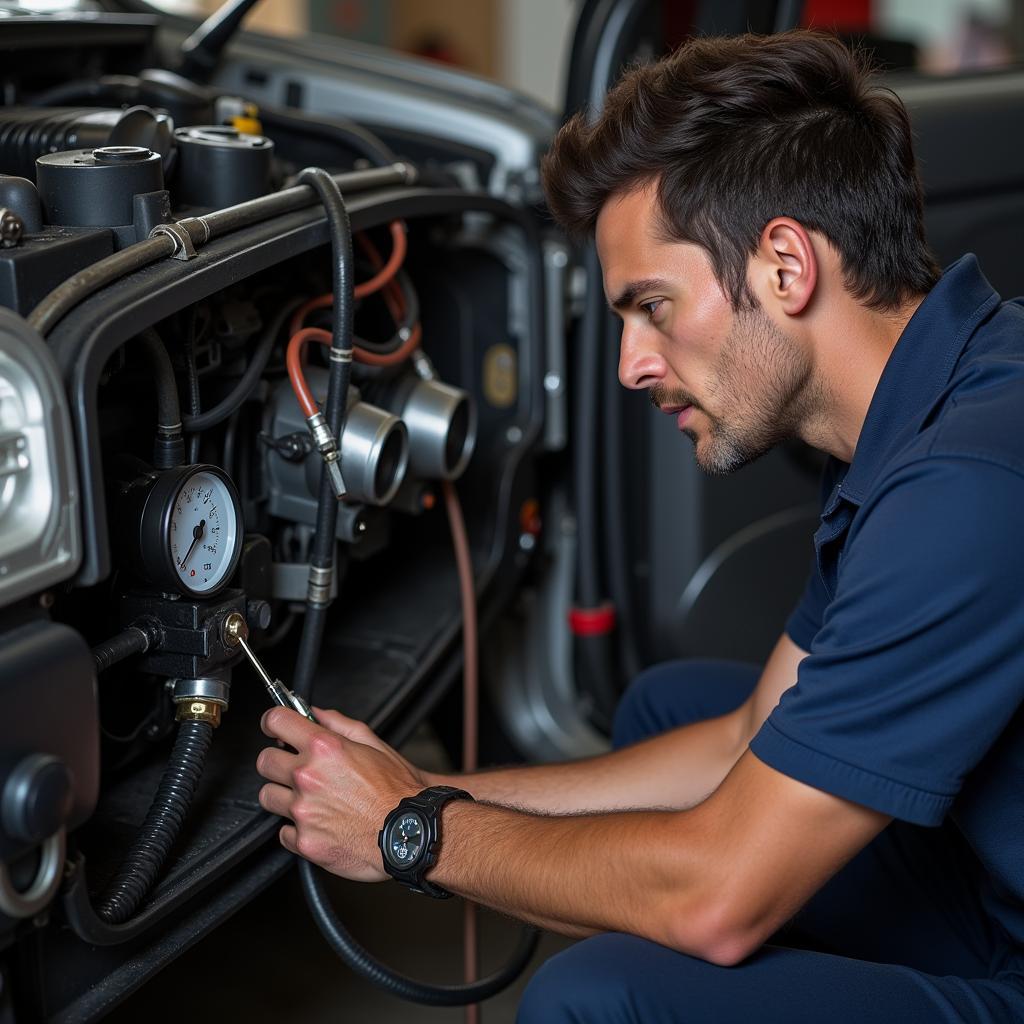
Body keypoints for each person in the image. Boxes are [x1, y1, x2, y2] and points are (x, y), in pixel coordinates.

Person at [255, 30, 1024, 1022]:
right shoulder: (934, 394)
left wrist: (410, 831)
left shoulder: (966, 486)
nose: (631, 364)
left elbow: (716, 899)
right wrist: (435, 788)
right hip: (988, 882)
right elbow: (749, 731)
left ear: (785, 265)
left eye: (652, 307)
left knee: (598, 998)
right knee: (672, 709)